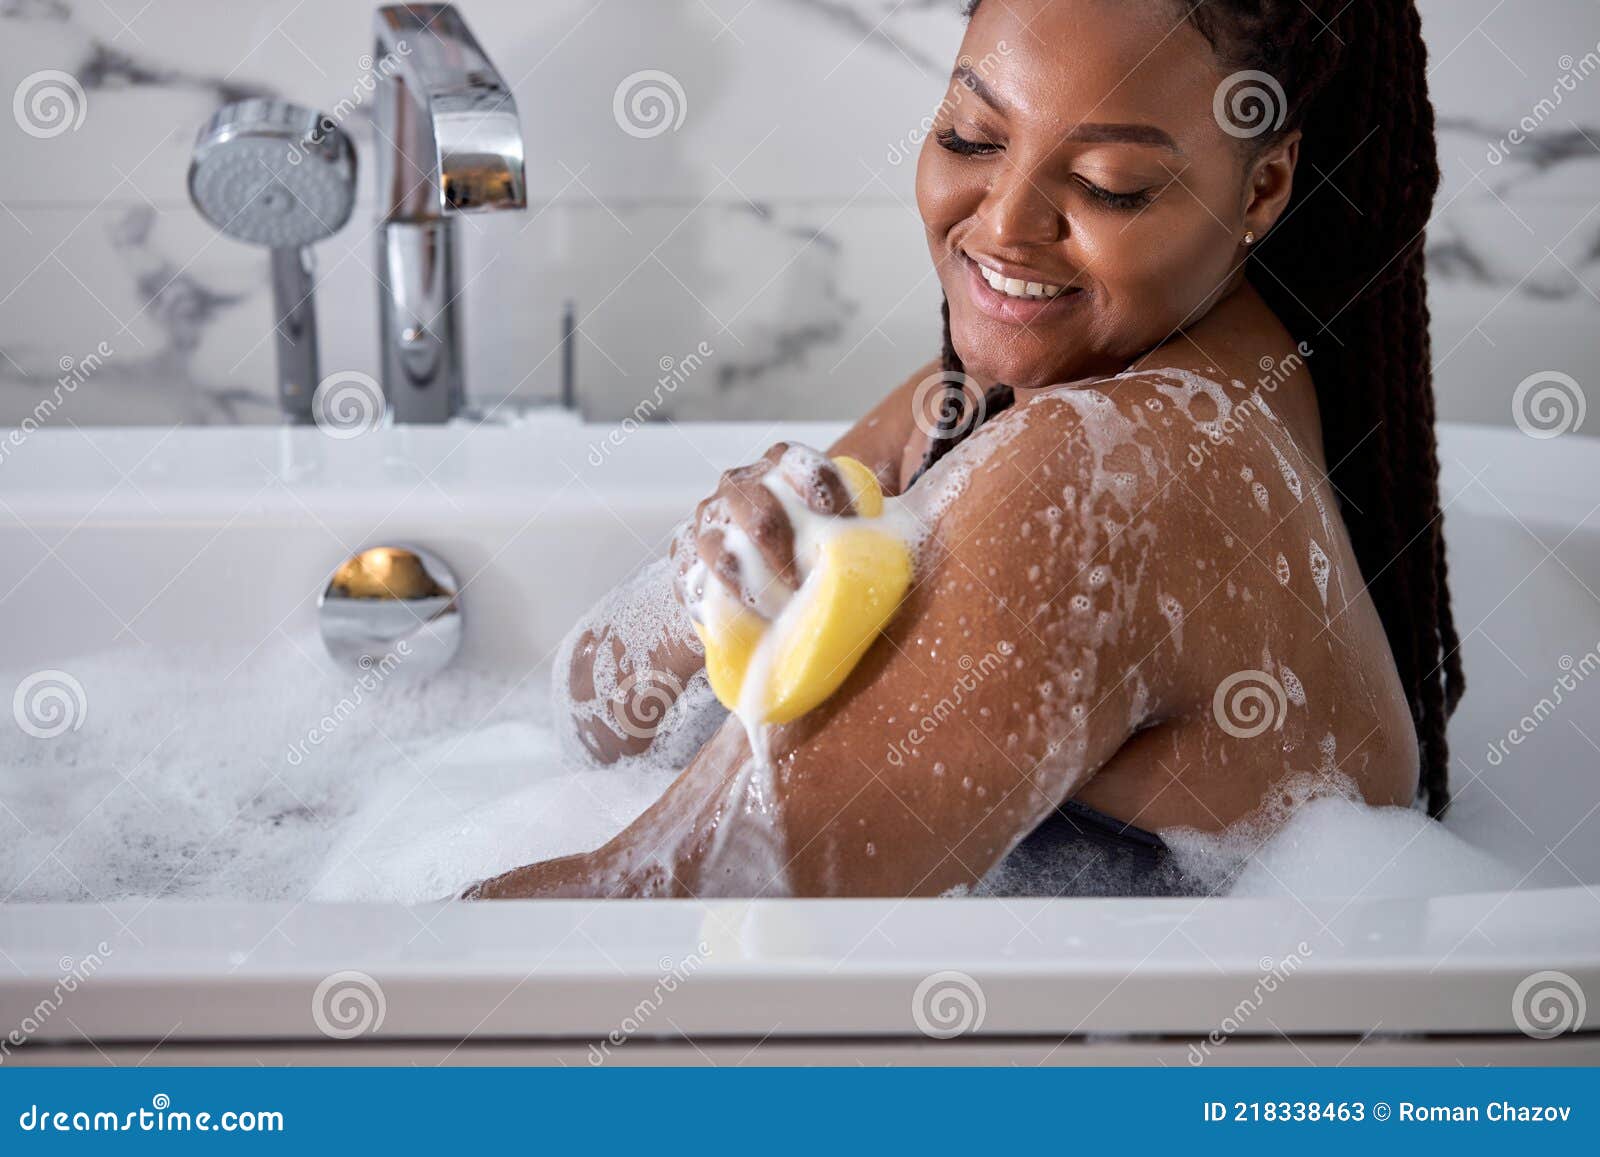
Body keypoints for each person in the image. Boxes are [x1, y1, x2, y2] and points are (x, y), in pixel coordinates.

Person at [470, 0, 1461, 899]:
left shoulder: (1108, 468)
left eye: (1111, 186)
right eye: (971, 135)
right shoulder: (1000, 398)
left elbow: (648, 920)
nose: (1002, 225)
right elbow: (594, 724)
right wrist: (701, 588)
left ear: (1264, 185)